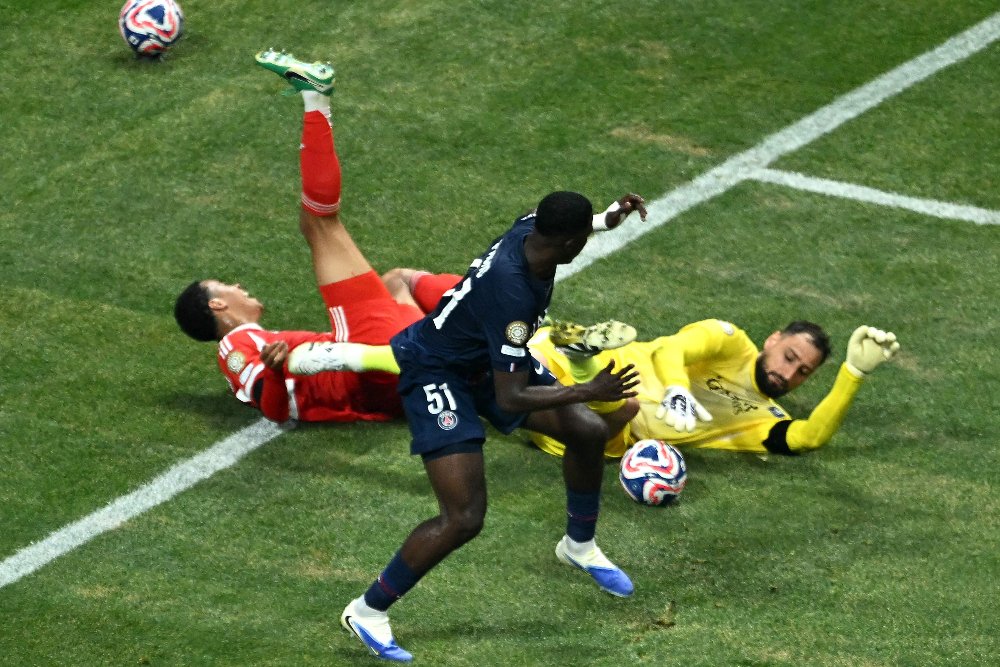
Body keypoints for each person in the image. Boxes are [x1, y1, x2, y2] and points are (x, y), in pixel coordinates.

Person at [338, 187, 648, 659]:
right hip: (439, 372)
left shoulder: (532, 228)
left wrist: (610, 216)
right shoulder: (513, 296)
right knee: (463, 517)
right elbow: (513, 396)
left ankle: (578, 546)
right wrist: (590, 389)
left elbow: (571, 229)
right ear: (570, 244)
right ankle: (367, 610)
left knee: (586, 430)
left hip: (484, 360)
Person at [173, 49, 462, 425]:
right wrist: (276, 372)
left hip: (398, 389)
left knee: (398, 281)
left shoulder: (260, 340)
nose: (237, 285)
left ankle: (507, 333)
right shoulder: (234, 346)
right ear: (217, 307)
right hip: (377, 364)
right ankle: (315, 97)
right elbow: (272, 407)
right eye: (224, 286)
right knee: (317, 224)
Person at [526, 318, 901, 458]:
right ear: (772, 340)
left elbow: (809, 437)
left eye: (803, 372)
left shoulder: (762, 420)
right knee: (508, 357)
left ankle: (581, 361)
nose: (789, 374)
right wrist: (677, 388)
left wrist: (854, 373)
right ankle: (578, 356)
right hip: (612, 367)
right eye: (789, 357)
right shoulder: (730, 341)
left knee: (621, 414)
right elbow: (672, 347)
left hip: (608, 432)